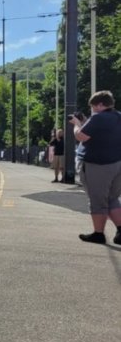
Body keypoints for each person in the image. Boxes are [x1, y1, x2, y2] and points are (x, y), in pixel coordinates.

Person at [69, 91, 121, 245]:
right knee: (112, 198)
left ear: (100, 105)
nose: (92, 110)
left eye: (93, 107)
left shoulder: (98, 118)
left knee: (97, 200)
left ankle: (98, 234)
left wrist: (77, 125)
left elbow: (81, 136)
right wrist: (86, 121)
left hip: (97, 165)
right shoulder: (118, 116)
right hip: (117, 163)